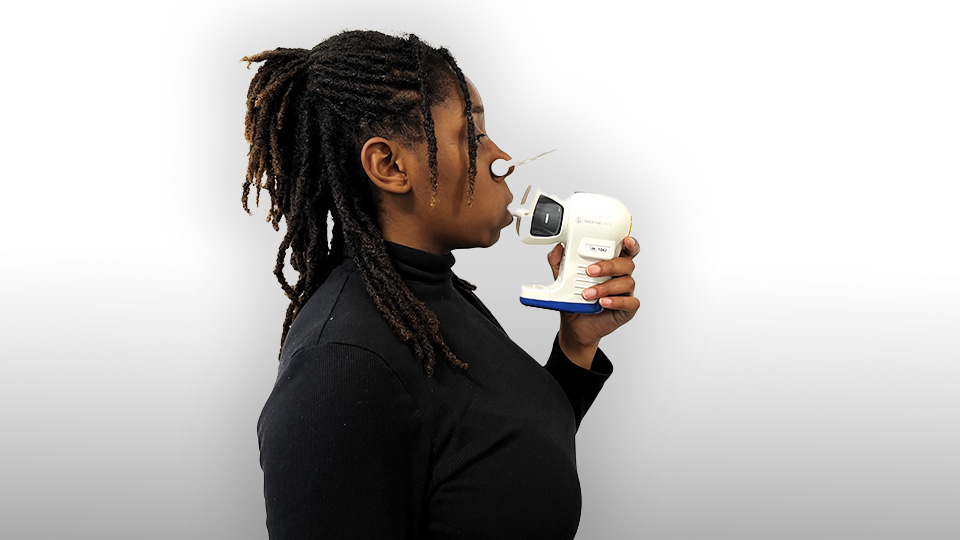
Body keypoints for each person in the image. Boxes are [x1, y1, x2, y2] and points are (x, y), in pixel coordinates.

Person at [242, 30, 640, 539]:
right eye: (472, 136)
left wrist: (576, 347)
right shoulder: (341, 364)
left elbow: (502, 456)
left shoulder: (433, 297)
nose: (503, 158)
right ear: (389, 166)